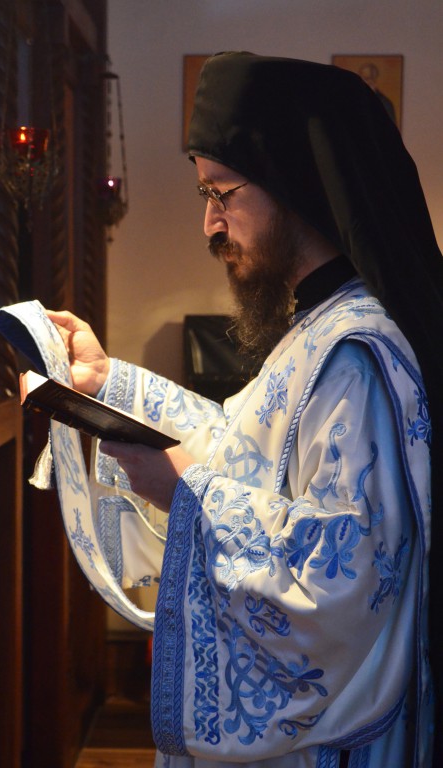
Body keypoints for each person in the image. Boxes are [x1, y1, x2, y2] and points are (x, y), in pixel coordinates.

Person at [46, 53, 443, 768]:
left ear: (294, 184)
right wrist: (108, 382)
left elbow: (338, 585)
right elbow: (243, 445)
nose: (209, 224)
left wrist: (186, 491)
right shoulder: (318, 326)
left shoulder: (355, 354)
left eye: (221, 193)